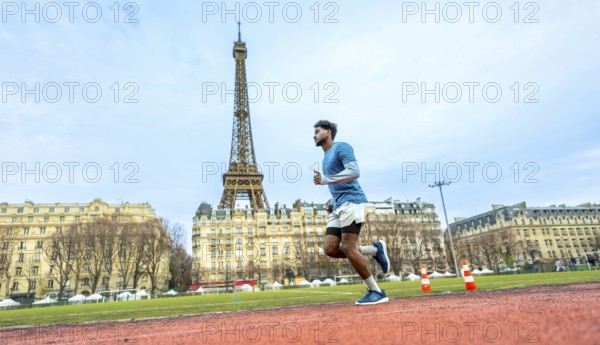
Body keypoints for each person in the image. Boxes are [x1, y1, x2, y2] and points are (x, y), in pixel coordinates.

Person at [312, 120, 390, 305]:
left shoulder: (342, 147)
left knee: (347, 246)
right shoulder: (325, 158)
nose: (314, 135)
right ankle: (374, 249)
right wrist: (332, 201)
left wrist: (325, 180)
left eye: (317, 131)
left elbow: (354, 171)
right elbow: (337, 183)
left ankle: (376, 291)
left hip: (352, 201)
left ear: (328, 132)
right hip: (338, 205)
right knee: (330, 248)